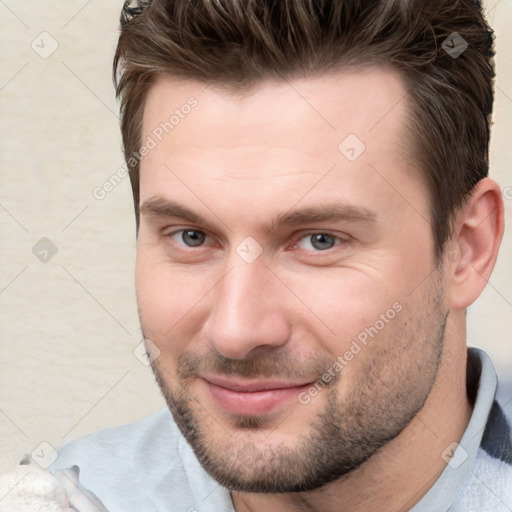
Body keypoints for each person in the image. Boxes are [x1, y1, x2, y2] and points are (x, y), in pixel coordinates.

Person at [50, 0, 511, 510]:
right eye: (192, 237)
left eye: (320, 241)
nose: (235, 331)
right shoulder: (69, 496)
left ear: (468, 249)